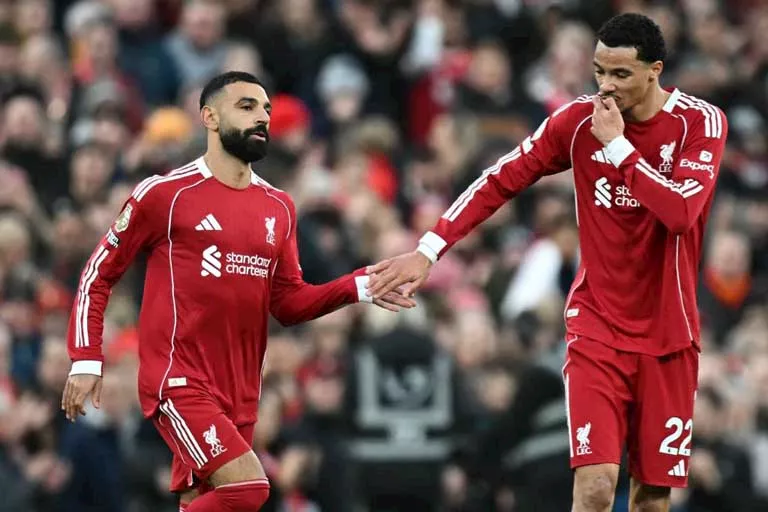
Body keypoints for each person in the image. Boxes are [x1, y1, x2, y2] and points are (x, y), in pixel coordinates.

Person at [366, 13, 728, 512]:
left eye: (620, 74)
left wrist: (618, 147)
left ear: (655, 71)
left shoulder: (700, 122)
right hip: (597, 328)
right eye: (599, 71)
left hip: (670, 334)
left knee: (651, 498)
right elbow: (500, 178)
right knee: (596, 485)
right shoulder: (577, 123)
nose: (606, 85)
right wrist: (428, 249)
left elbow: (681, 213)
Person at [60, 71, 414, 512]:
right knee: (250, 488)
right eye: (246, 107)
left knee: (208, 502)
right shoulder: (165, 194)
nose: (261, 117)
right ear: (209, 117)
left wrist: (359, 286)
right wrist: (86, 358)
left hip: (242, 389)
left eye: (266, 109)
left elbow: (288, 304)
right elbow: (98, 274)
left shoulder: (278, 206)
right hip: (180, 379)